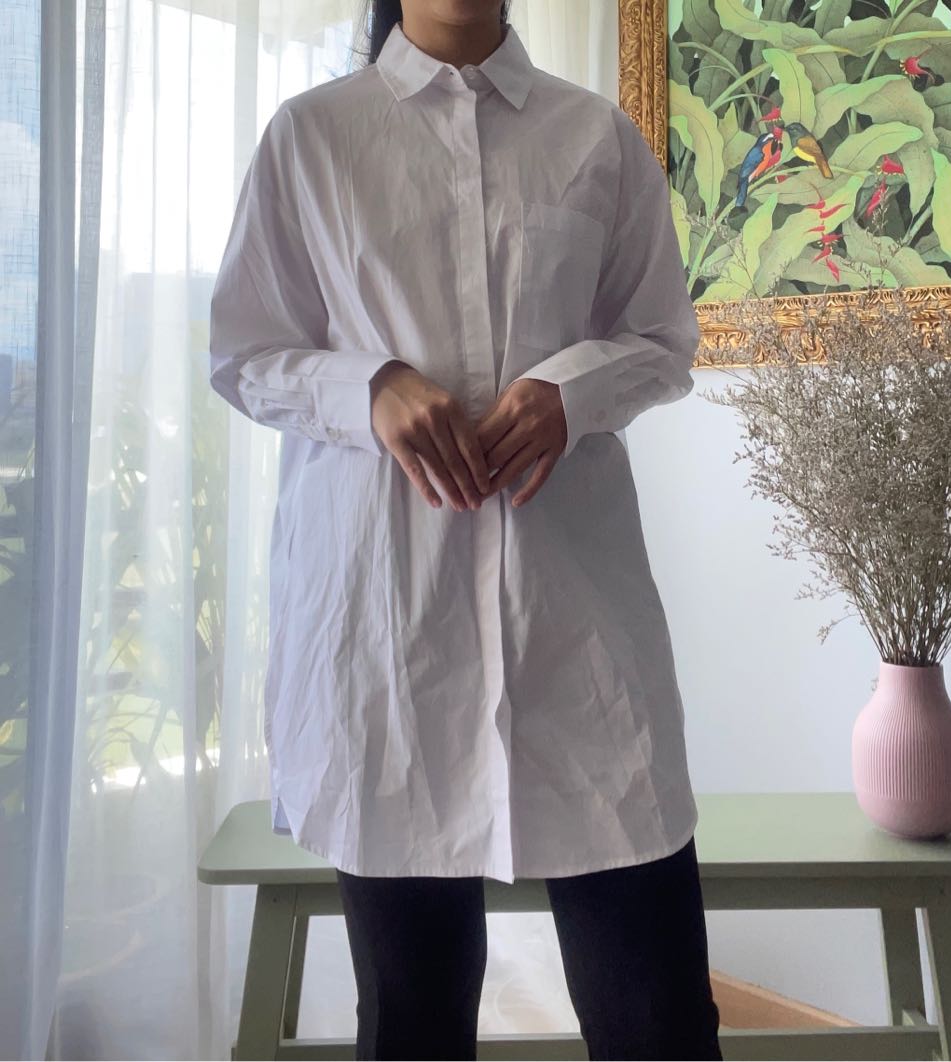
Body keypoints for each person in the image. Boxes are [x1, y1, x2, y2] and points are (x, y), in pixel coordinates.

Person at [208, 0, 722, 1057]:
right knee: (413, 1026)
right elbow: (245, 352)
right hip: (389, 644)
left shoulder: (594, 137)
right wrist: (369, 388)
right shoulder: (312, 138)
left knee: (661, 1020)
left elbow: (662, 338)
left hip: (578, 633)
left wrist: (572, 390)